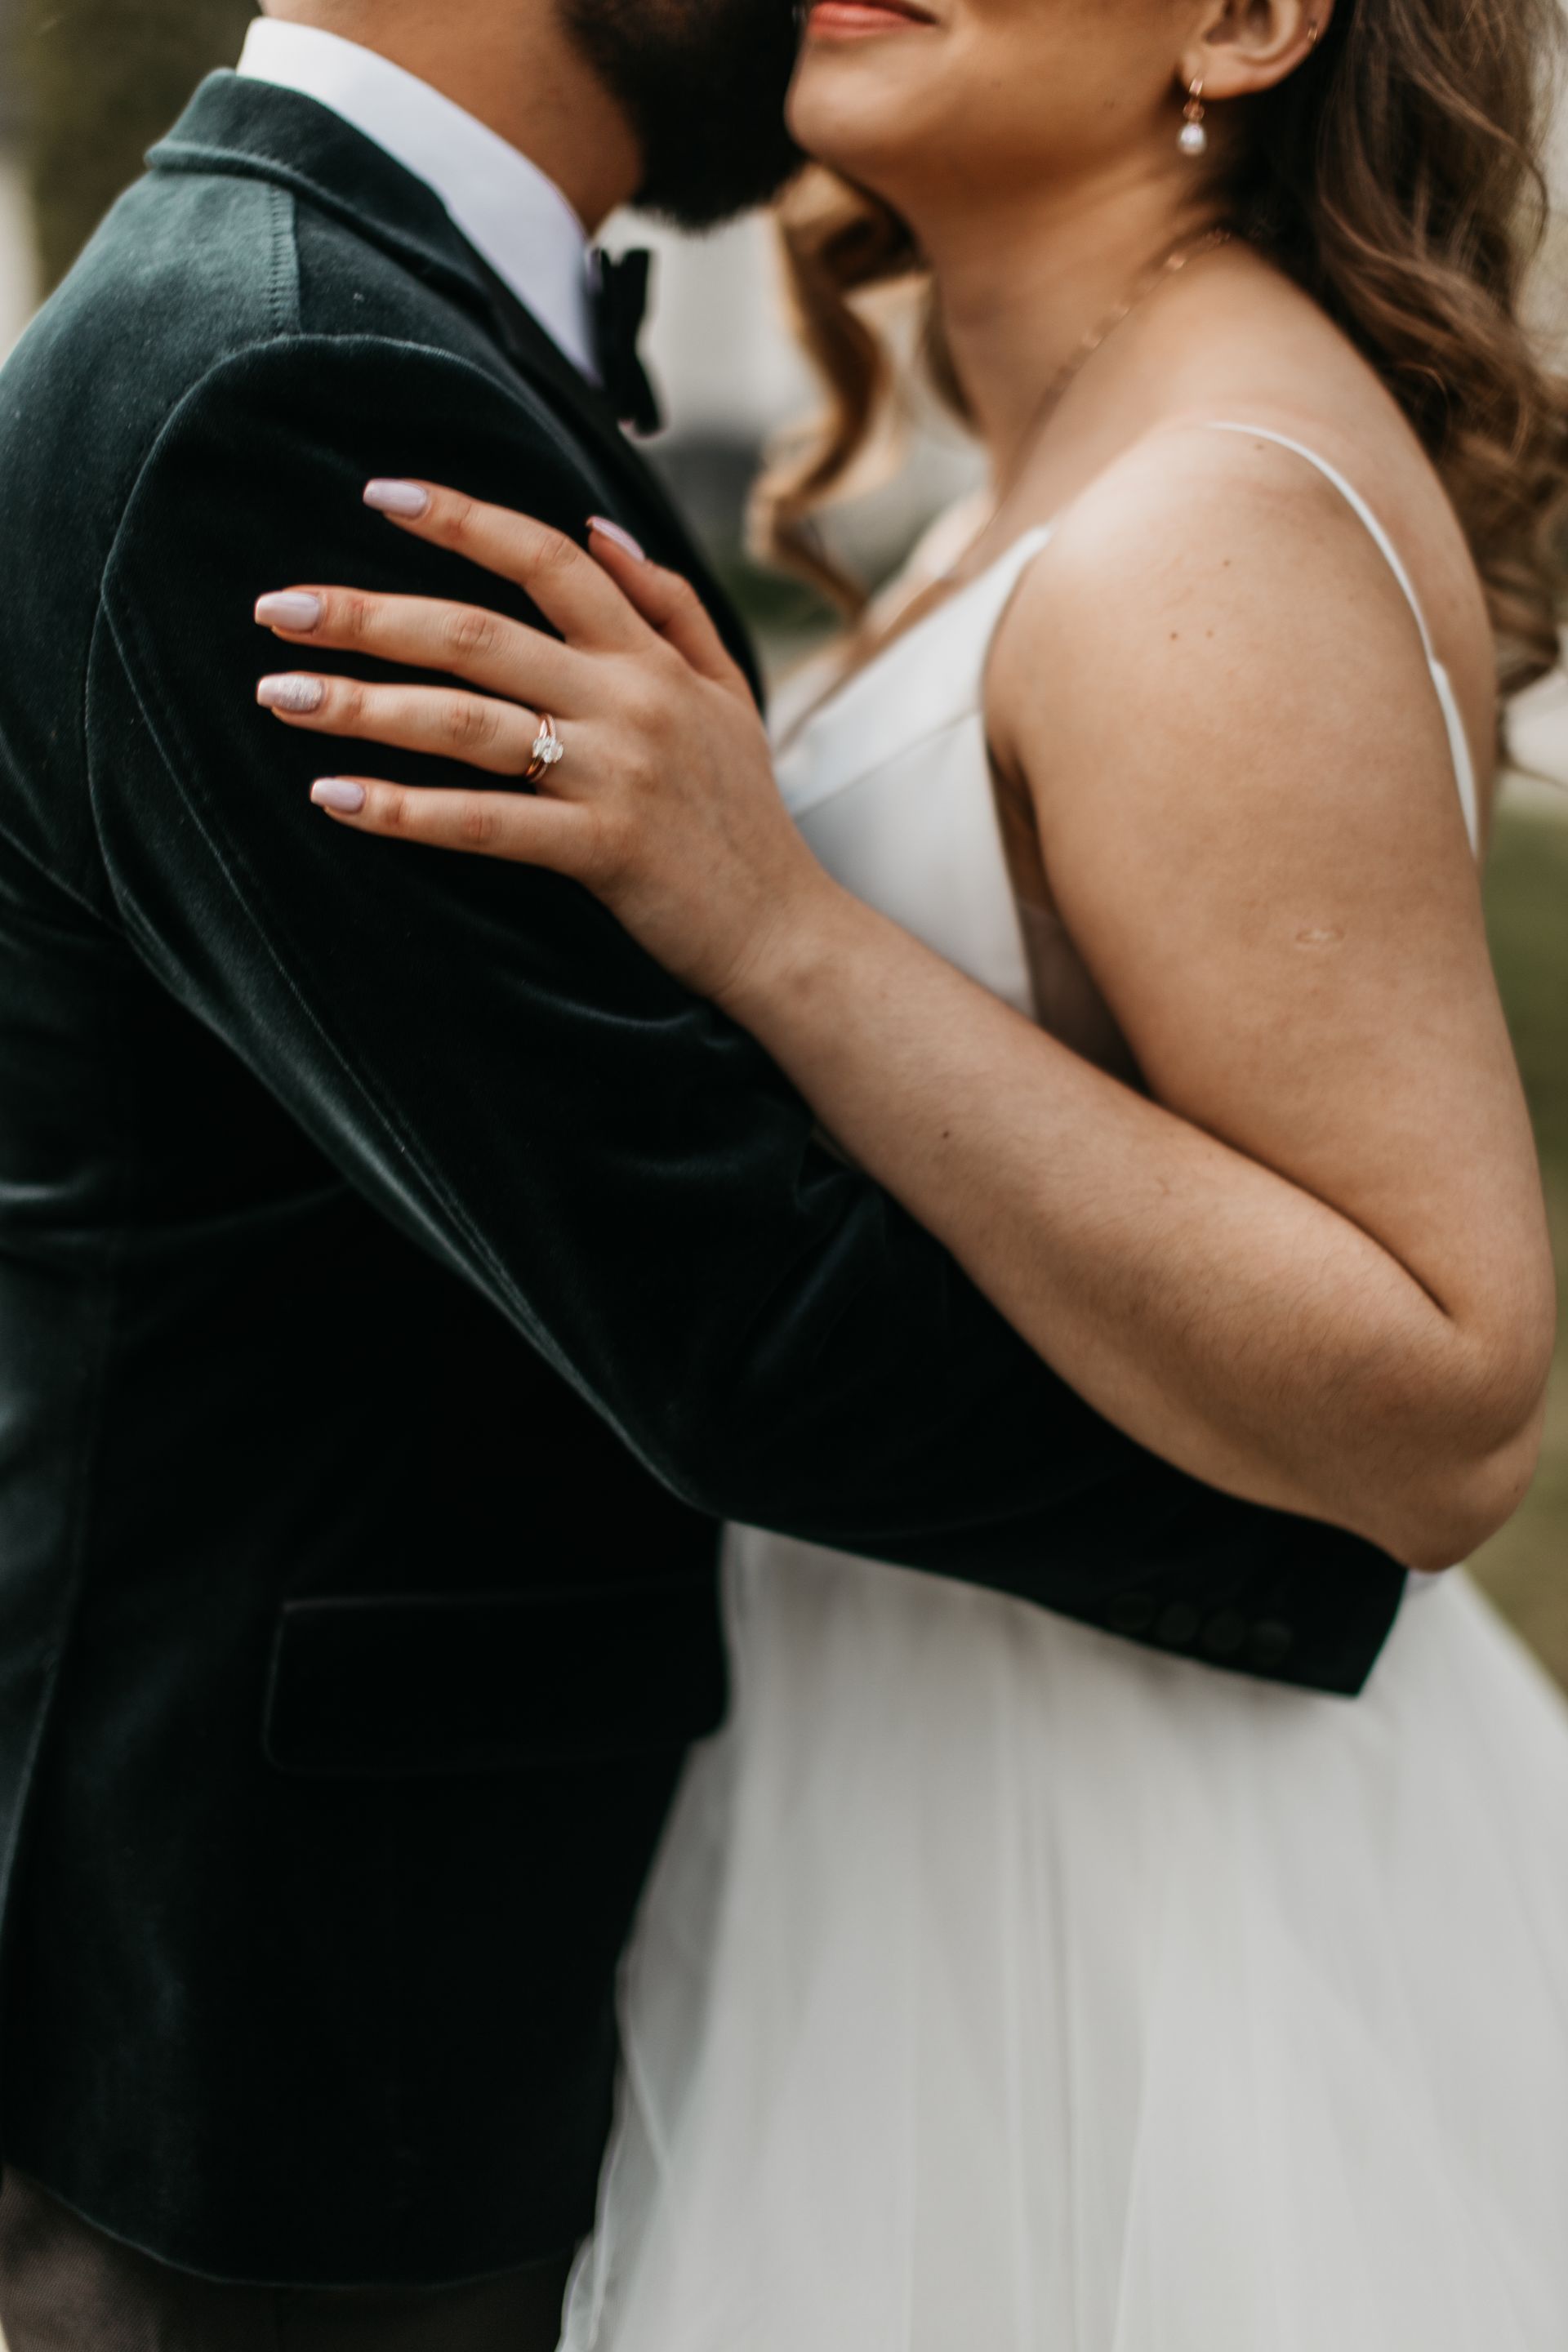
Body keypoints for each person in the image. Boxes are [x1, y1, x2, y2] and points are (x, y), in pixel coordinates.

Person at [0, 0, 1447, 2344]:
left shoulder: (379, 327)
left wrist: (1385, 1442)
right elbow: (713, 1299)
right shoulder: (291, 381)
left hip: (732, 1913)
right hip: (277, 2058)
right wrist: (1321, 1520)